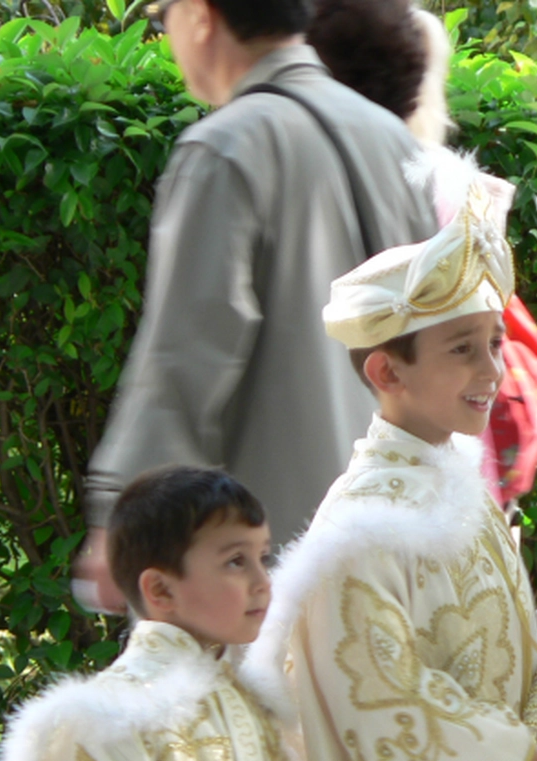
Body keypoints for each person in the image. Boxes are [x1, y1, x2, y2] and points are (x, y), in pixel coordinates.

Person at [249, 174, 537, 761]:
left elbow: (476, 656)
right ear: (388, 371)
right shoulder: (359, 526)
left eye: (494, 342)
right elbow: (377, 696)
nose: (493, 369)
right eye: (462, 349)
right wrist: (507, 758)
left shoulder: (457, 484)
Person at [73, 0, 437, 614]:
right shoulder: (389, 138)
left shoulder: (227, 146)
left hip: (270, 569)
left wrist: (122, 521)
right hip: (397, 541)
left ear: (200, 15)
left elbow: (185, 355)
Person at [0, 467, 317, 761]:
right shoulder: (109, 720)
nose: (263, 581)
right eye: (235, 561)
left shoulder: (254, 705)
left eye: (262, 557)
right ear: (160, 589)